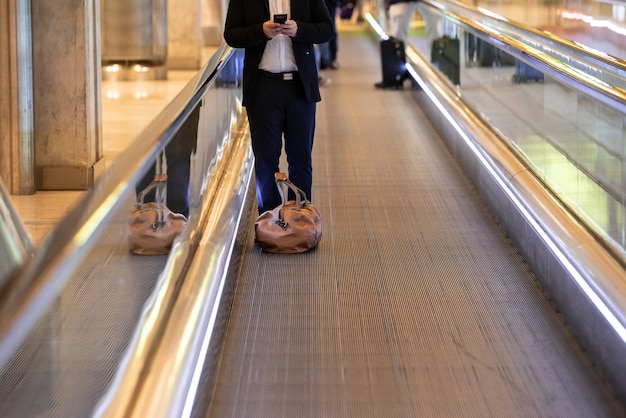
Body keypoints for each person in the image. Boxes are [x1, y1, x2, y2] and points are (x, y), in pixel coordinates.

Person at [224, 0, 334, 214]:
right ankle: (269, 222)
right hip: (263, 87)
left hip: (300, 88)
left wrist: (299, 29)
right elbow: (231, 35)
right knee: (265, 160)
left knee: (301, 158)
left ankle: (300, 219)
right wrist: (261, 31)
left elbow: (326, 29)